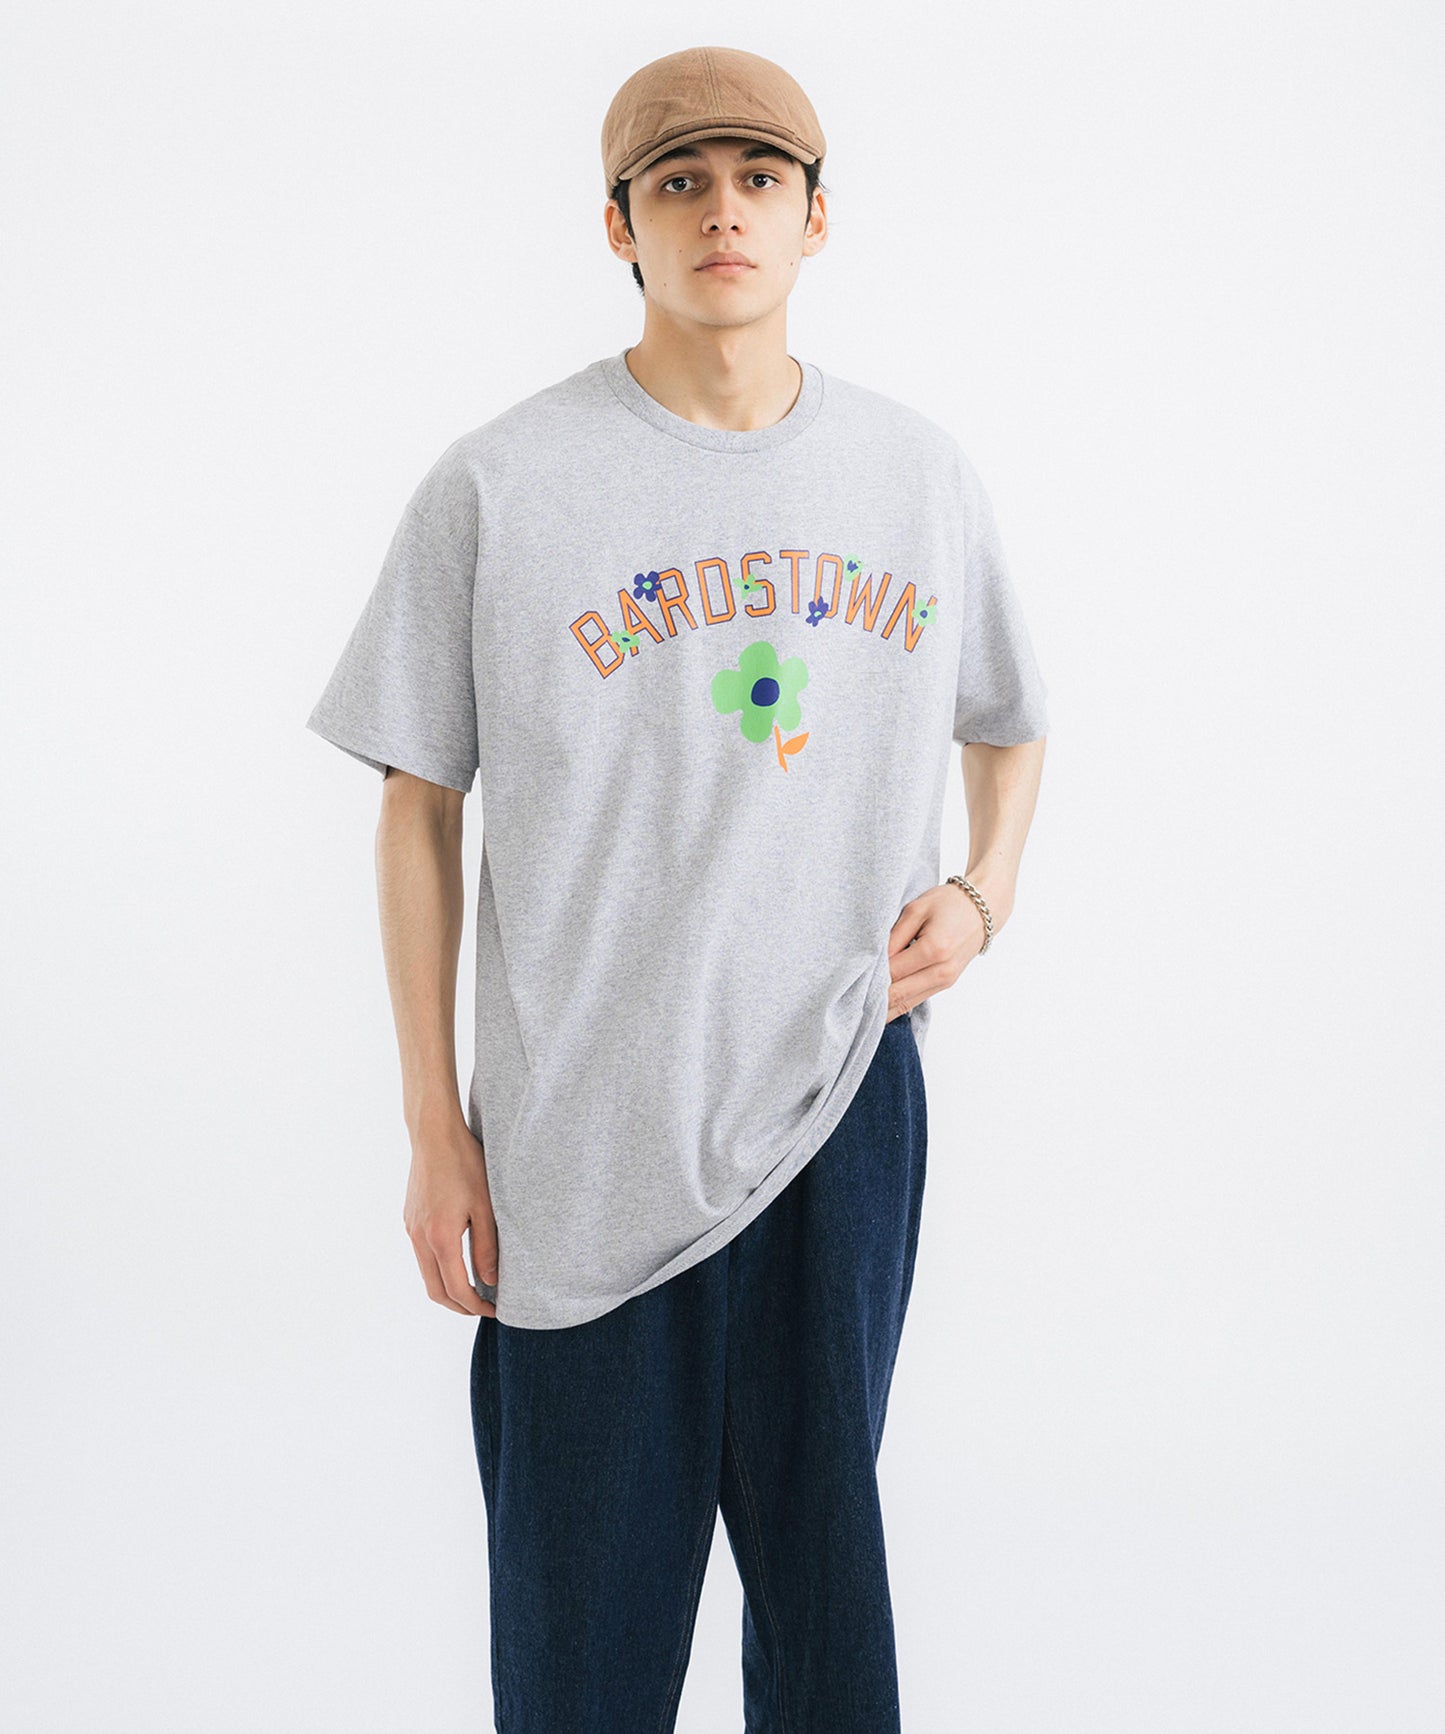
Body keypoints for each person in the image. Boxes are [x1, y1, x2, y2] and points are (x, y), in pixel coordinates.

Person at [305, 42, 1049, 1734]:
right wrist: (434, 1125)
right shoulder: (499, 484)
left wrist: (983, 893)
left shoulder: (912, 474)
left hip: (837, 1101)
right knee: (579, 1641)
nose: (724, 213)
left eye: (759, 181)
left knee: (824, 1615)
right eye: (681, 183)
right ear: (618, 225)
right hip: (583, 1130)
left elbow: (1009, 721)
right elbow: (417, 803)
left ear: (814, 220)